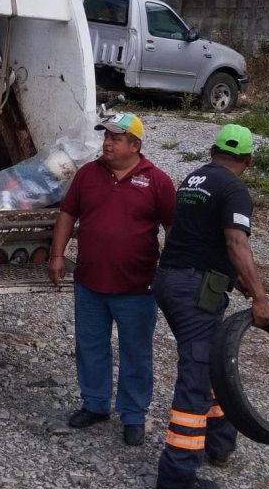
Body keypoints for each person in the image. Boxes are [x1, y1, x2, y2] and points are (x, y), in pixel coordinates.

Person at [154, 123, 269, 489]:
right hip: (195, 290)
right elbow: (236, 241)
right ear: (249, 160)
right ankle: (176, 479)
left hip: (170, 279)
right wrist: (259, 295)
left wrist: (232, 275)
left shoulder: (193, 180)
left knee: (214, 361)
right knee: (198, 373)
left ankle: (220, 444)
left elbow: (186, 234)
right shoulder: (235, 188)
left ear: (212, 151)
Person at [48, 111, 176, 447]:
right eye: (105, 137)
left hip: (137, 287)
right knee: (90, 347)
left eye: (115, 138)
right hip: (89, 283)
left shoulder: (157, 180)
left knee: (136, 352)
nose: (106, 144)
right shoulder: (88, 174)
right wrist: (57, 255)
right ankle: (95, 404)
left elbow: (173, 228)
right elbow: (67, 213)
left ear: (135, 145)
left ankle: (133, 415)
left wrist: (171, 272)